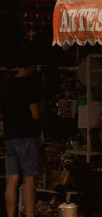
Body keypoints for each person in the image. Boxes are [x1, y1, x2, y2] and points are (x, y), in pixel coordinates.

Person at [3, 48, 41, 217]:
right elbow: (35, 115)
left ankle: (11, 215)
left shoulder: (6, 84)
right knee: (29, 179)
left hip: (10, 136)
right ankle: (29, 215)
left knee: (12, 179)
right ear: (31, 66)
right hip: (27, 136)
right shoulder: (29, 85)